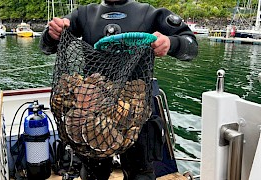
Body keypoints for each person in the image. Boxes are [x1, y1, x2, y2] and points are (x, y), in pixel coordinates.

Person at [40, 0, 198, 179]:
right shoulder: (84, 14)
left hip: (137, 114)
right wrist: (52, 33)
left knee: (140, 175)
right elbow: (46, 46)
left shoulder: (150, 13)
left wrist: (170, 42)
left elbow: (191, 45)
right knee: (92, 174)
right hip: (93, 113)